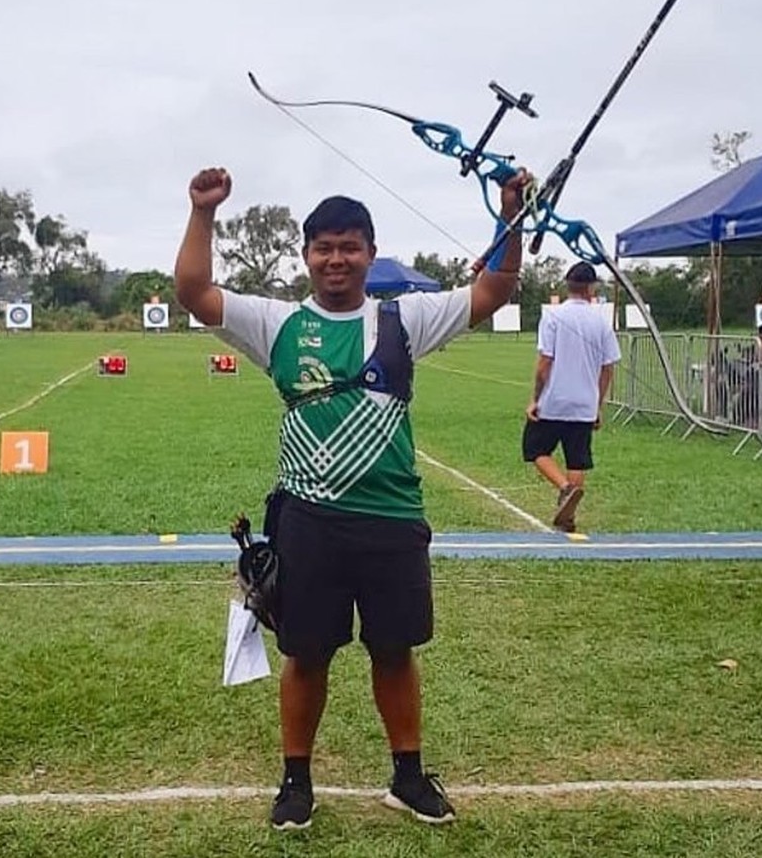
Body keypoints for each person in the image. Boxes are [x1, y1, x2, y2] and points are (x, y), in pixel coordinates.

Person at [174, 165, 529, 830]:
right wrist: (202, 212)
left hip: (392, 519)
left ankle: (407, 777)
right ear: (306, 255)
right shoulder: (275, 323)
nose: (336, 258)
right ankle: (295, 781)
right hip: (308, 522)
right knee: (306, 655)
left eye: (350, 246)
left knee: (395, 651)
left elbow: (495, 289)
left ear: (369, 251)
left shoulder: (403, 319)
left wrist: (512, 216)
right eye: (324, 246)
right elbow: (194, 290)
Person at [522, 261, 621, 534]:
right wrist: (597, 405)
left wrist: (535, 398)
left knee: (536, 450)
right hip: (584, 402)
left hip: (555, 400)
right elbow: (607, 369)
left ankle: (565, 489)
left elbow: (545, 363)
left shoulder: (553, 317)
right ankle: (568, 515)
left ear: (568, 286)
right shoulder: (601, 323)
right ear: (592, 288)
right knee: (577, 459)